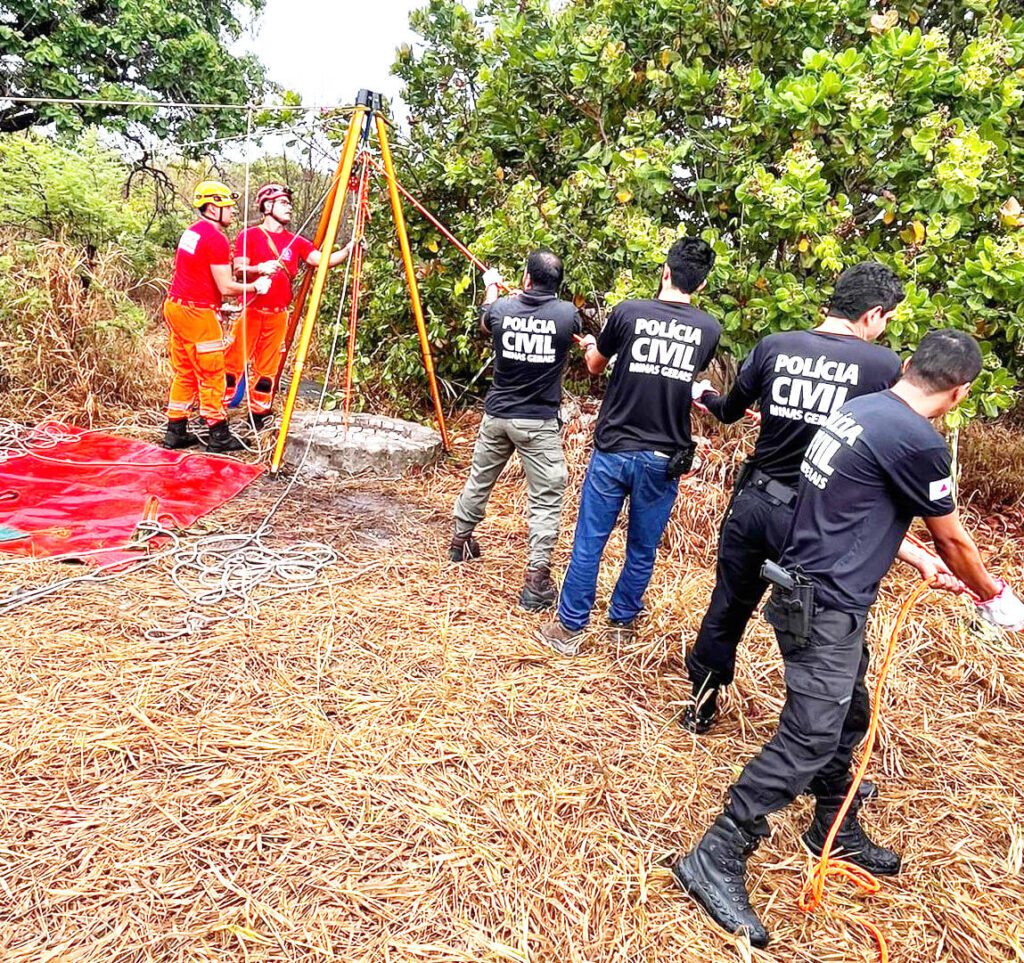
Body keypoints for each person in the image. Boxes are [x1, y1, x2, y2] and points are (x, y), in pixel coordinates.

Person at [671, 329, 1024, 948]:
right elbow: (957, 540)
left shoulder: (860, 412)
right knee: (809, 737)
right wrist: (995, 598)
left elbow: (850, 506)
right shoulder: (919, 442)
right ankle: (717, 852)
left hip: (819, 592)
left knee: (849, 715)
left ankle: (833, 824)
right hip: (823, 605)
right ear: (960, 393)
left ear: (909, 365)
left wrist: (909, 555)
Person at [682, 262, 907, 734]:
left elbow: (728, 411)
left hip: (756, 501)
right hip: (818, 520)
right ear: (873, 314)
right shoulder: (882, 366)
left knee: (728, 604)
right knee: (824, 629)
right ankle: (818, 736)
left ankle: (700, 705)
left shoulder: (775, 346)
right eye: (885, 321)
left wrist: (704, 394)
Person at [536, 237, 720, 654]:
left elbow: (595, 366)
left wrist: (591, 347)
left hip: (614, 447)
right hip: (663, 455)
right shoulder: (708, 329)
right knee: (642, 547)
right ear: (702, 285)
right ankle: (621, 624)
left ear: (666, 271)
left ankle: (569, 628)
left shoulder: (628, 312)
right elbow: (682, 375)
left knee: (590, 540)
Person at [449, 250, 582, 611]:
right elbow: (580, 341)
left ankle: (459, 541)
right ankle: (536, 582)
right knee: (547, 496)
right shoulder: (567, 314)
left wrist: (490, 287)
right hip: (537, 423)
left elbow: (484, 322)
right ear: (558, 283)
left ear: (526, 277)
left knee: (479, 479)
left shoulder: (502, 309)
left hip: (497, 417)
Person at [226, 183, 357, 428]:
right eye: (283, 203)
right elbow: (239, 270)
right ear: (267, 206)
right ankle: (217, 416)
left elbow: (320, 260)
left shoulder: (295, 241)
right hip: (251, 311)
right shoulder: (249, 236)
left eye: (289, 203)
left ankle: (258, 416)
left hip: (278, 316)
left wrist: (348, 250)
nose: (290, 208)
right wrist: (260, 268)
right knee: (232, 366)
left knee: (267, 370)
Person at [162, 180, 270, 453]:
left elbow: (197, 276)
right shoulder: (215, 238)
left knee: (185, 371)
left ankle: (175, 430)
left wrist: (217, 305)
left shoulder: (192, 232)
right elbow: (226, 287)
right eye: (228, 207)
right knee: (212, 372)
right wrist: (255, 286)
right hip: (196, 314)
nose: (233, 212)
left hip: (177, 306)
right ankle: (218, 434)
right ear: (212, 208)